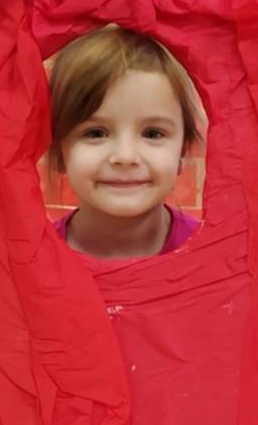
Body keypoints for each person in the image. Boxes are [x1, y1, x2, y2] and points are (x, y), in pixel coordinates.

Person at [46, 27, 201, 260]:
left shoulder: (211, 252)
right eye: (96, 133)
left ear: (183, 150)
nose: (125, 157)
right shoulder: (33, 259)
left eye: (152, 134)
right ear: (59, 151)